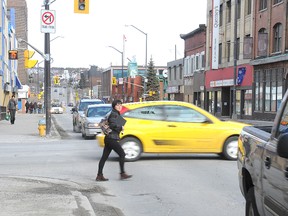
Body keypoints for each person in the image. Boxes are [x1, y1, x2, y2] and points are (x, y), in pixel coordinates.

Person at [96, 99, 132, 181]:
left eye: (120, 105)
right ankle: (122, 173)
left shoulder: (115, 113)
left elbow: (113, 124)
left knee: (104, 157)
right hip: (112, 138)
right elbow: (112, 124)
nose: (119, 107)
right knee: (122, 154)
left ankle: (99, 175)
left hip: (109, 138)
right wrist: (120, 127)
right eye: (117, 105)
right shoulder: (114, 114)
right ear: (114, 106)